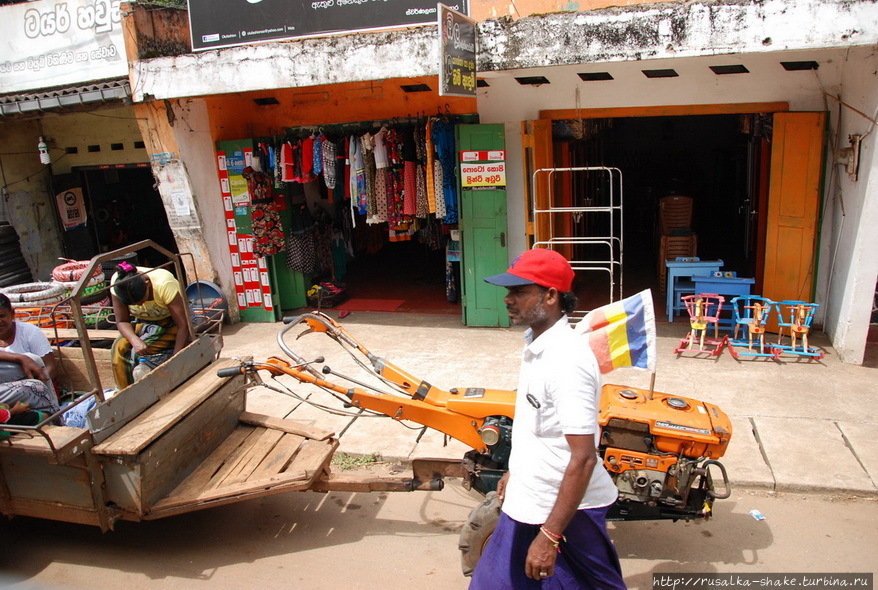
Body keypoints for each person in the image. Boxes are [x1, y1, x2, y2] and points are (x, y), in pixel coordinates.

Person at [471, 248, 627, 589]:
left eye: (519, 292)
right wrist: (516, 471)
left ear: (552, 296)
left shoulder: (568, 361)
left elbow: (584, 458)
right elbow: (538, 426)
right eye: (508, 292)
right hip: (530, 500)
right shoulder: (537, 343)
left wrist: (550, 536)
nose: (508, 300)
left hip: (564, 514)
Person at [110, 261, 192, 389]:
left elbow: (183, 324)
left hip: (169, 323)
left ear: (147, 285)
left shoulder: (164, 283)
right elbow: (122, 321)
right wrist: (134, 339)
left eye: (141, 301)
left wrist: (175, 359)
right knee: (118, 349)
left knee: (137, 354)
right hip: (142, 324)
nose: (139, 306)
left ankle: (144, 391)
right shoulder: (119, 283)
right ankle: (124, 394)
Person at [0, 293, 59, 416]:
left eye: (2, 316)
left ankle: (50, 414)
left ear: (12, 314)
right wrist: (20, 358)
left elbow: (50, 368)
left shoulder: (29, 332)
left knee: (34, 360)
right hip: (6, 395)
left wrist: (33, 388)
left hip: (32, 391)